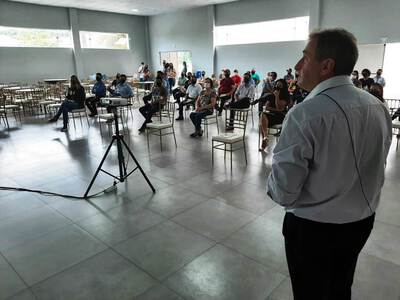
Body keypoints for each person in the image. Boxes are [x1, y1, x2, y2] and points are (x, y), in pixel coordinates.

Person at [267, 28, 392, 300]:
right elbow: (378, 163)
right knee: (340, 286)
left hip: (314, 230)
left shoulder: (305, 114)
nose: (298, 66)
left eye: (305, 57)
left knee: (310, 292)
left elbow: (283, 191)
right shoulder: (377, 106)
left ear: (326, 66)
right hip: (361, 222)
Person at [259, 79, 291, 149]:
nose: (277, 86)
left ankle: (265, 139)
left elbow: (279, 108)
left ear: (283, 87)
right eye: (277, 85)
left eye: (279, 85)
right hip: (272, 115)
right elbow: (266, 107)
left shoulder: (286, 96)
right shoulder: (272, 95)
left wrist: (277, 97)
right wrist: (276, 109)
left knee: (262, 123)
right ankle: (265, 137)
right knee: (262, 115)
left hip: (281, 117)